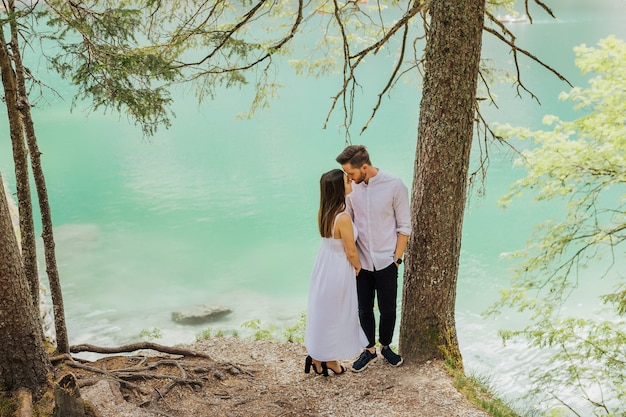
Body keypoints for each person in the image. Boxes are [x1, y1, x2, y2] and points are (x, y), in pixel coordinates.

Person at [335, 145, 411, 372]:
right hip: (361, 264)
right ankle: (369, 350)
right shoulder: (352, 190)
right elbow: (345, 220)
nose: (347, 177)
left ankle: (386, 347)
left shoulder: (395, 186)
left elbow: (404, 227)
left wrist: (397, 259)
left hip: (388, 261)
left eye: (350, 173)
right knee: (364, 310)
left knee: (388, 310)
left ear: (365, 167)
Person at [304, 169, 368, 376]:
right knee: (336, 313)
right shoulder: (342, 217)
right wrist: (358, 266)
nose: (350, 180)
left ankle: (325, 358)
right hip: (338, 267)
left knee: (324, 311)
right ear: (337, 188)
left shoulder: (325, 212)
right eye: (346, 180)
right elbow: (350, 250)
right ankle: (321, 357)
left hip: (324, 264)